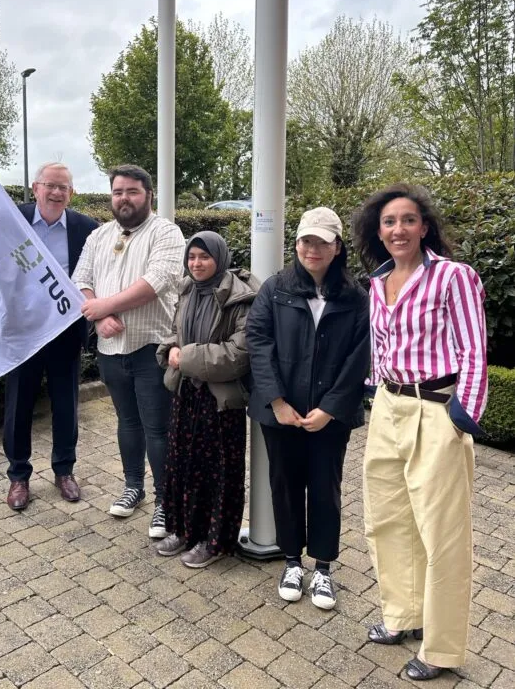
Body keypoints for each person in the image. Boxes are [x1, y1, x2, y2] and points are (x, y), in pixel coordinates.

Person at [352, 184, 487, 681]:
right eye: (389, 222)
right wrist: (372, 392)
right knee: (387, 518)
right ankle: (402, 616)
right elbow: (378, 346)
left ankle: (443, 649)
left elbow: (474, 350)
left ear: (424, 226)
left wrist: (461, 415)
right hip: (388, 406)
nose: (398, 230)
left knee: (443, 535)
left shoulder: (454, 277)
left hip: (435, 408)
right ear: (378, 231)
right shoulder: (377, 282)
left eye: (408, 220)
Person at [246, 207, 370, 609]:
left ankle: (323, 568)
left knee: (325, 488)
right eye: (305, 241)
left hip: (328, 419)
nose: (311, 249)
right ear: (296, 243)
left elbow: (360, 355)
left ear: (337, 247)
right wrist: (277, 401)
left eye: (321, 241)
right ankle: (291, 561)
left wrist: (331, 408)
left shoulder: (355, 296)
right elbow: (258, 341)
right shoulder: (276, 288)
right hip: (282, 414)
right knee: (284, 486)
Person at [72, 164, 185, 538]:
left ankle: (166, 503)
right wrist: (99, 317)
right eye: (118, 191)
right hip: (110, 346)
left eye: (132, 191)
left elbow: (154, 283)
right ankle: (133, 487)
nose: (124, 198)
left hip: (152, 346)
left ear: (148, 195)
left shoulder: (166, 232)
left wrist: (105, 306)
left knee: (158, 428)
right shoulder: (99, 235)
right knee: (127, 422)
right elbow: (81, 281)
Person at [155, 231, 258, 568]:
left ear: (220, 257)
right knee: (182, 466)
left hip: (219, 401)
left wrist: (185, 356)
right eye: (192, 257)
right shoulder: (187, 289)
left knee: (216, 474)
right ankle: (183, 529)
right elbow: (176, 332)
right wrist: (169, 349)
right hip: (187, 395)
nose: (196, 264)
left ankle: (214, 541)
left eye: (204, 257)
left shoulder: (241, 296)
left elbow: (239, 353)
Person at [3, 162, 99, 510]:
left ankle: (64, 471)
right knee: (18, 407)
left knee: (65, 405)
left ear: (71, 193)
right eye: (50, 185)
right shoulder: (12, 220)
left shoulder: (85, 228)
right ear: (35, 187)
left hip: (64, 333)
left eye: (64, 188)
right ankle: (18, 477)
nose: (57, 193)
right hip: (23, 332)